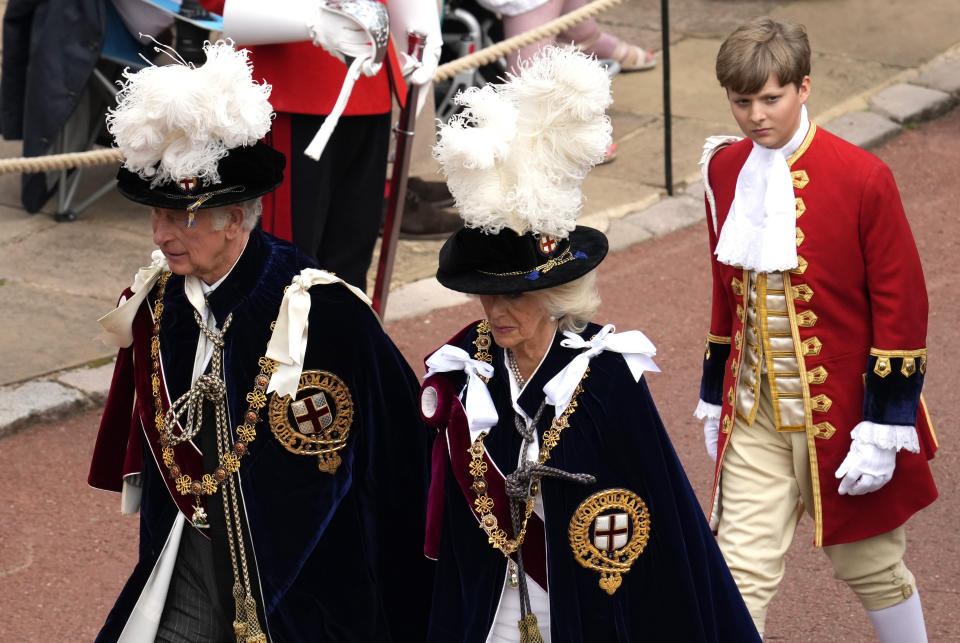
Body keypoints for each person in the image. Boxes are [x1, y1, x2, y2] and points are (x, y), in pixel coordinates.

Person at [87, 41, 432, 641]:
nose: (162, 233)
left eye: (183, 216)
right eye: (157, 214)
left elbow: (400, 465)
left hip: (305, 590)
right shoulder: (158, 304)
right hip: (188, 553)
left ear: (238, 218)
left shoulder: (324, 314)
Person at [418, 45, 759, 642]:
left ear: (556, 294)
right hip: (491, 605)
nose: (497, 312)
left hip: (583, 604)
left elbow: (645, 517)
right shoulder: (464, 367)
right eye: (485, 296)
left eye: (515, 297)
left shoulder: (603, 379)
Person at [696, 17, 938, 641]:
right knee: (735, 573)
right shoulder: (723, 171)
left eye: (770, 98)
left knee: (873, 568)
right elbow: (726, 291)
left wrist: (887, 426)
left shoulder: (862, 176)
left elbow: (902, 308)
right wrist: (711, 391)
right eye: (741, 100)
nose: (755, 115)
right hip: (755, 415)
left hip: (844, 419)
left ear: (804, 88)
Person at [202, 0, 445, 289]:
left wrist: (418, 15)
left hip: (369, 74)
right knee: (286, 270)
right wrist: (312, 20)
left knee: (348, 271)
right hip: (291, 77)